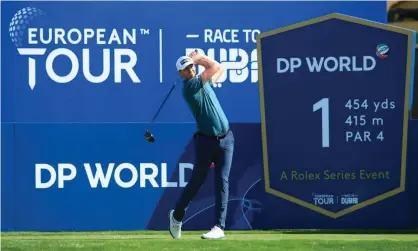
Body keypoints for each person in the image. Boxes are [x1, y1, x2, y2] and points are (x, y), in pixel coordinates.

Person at [168, 50, 235, 240]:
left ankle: (219, 227)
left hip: (226, 139)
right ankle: (177, 215)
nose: (190, 69)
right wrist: (199, 58)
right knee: (197, 181)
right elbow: (213, 67)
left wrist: (200, 59)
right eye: (186, 68)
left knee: (223, 181)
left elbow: (219, 68)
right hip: (206, 141)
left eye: (190, 66)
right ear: (181, 74)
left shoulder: (204, 83)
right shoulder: (190, 87)